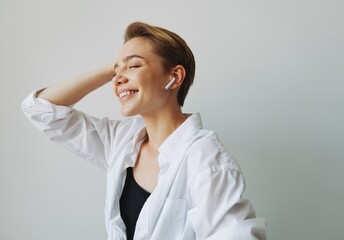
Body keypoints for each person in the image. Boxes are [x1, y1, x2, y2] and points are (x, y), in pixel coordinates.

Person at [22, 22, 267, 240]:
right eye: (116, 72)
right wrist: (116, 67)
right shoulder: (121, 140)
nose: (117, 79)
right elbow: (40, 109)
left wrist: (122, 65)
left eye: (134, 65)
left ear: (175, 76)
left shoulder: (204, 158)